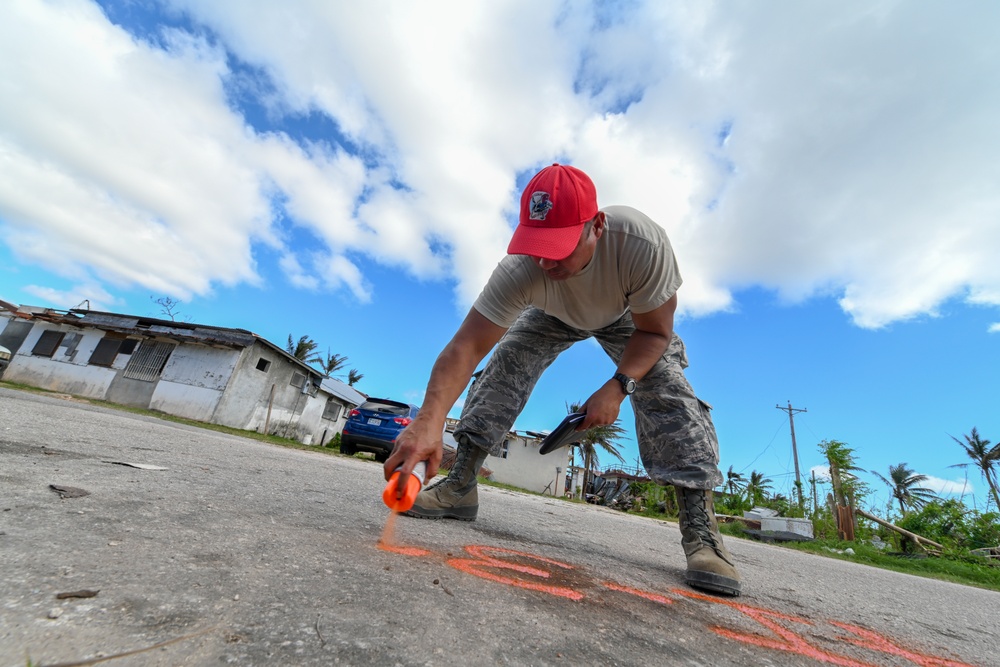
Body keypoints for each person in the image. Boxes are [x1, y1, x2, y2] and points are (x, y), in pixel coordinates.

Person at [383, 163, 741, 596]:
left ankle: (702, 534)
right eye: (537, 245)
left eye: (559, 246)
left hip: (630, 318)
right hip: (551, 313)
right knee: (505, 360)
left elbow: (655, 332)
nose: (545, 260)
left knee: (666, 385)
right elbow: (465, 347)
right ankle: (460, 485)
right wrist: (428, 422)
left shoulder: (640, 245)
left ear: (597, 227)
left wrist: (618, 386)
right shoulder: (524, 270)